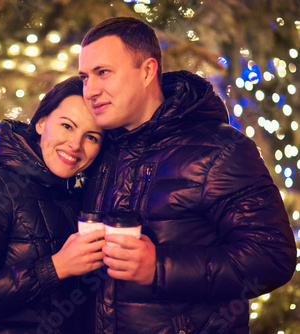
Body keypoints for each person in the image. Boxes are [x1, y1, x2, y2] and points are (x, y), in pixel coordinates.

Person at [78, 17, 297, 333]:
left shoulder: (219, 149)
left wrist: (159, 268)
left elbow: (272, 257)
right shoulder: (97, 150)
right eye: (84, 77)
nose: (91, 90)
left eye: (103, 73)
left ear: (148, 71)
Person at [0, 76, 106, 334]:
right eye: (67, 126)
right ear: (41, 123)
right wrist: (56, 267)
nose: (76, 145)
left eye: (92, 137)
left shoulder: (75, 193)